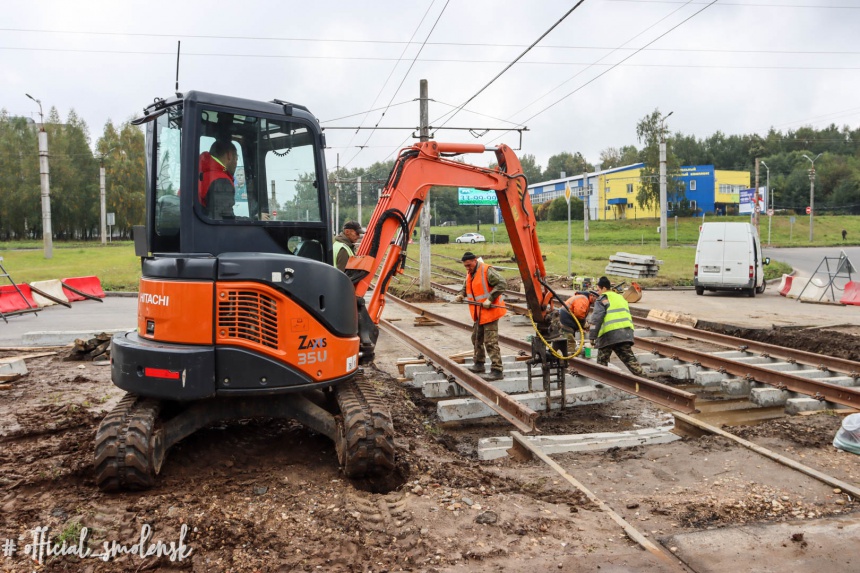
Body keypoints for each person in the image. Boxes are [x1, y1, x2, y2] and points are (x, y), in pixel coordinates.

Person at [454, 252, 507, 381]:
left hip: (490, 312)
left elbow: (502, 284)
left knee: (490, 342)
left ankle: (497, 370)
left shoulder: (486, 270)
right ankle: (479, 364)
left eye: (469, 265)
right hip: (479, 313)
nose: (467, 268)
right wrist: (461, 294)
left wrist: (490, 298)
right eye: (465, 266)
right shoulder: (470, 273)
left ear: (475, 260)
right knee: (476, 338)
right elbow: (465, 288)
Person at [588, 276, 648, 377]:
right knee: (630, 361)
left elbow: (596, 319)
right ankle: (646, 382)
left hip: (609, 335)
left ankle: (602, 382)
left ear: (603, 288)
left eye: (598, 289)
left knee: (602, 362)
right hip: (625, 333)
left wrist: (592, 336)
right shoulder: (620, 298)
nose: (597, 292)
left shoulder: (602, 299)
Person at [199, 140, 239, 219]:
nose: (236, 164)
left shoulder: (196, 175)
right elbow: (225, 221)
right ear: (229, 156)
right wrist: (255, 219)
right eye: (236, 158)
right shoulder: (221, 181)